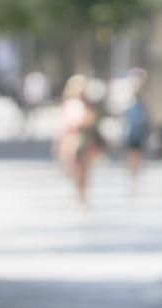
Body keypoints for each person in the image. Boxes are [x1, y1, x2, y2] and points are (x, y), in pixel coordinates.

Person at [55, 74, 104, 208]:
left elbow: (93, 123)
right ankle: (79, 195)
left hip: (87, 142)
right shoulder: (69, 105)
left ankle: (83, 196)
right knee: (76, 170)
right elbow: (64, 126)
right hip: (72, 142)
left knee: (86, 171)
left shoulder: (89, 106)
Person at [121, 69, 150, 194]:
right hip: (131, 133)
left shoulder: (144, 100)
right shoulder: (127, 98)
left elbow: (147, 116)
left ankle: (135, 179)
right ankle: (132, 179)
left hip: (139, 132)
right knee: (131, 156)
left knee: (138, 156)